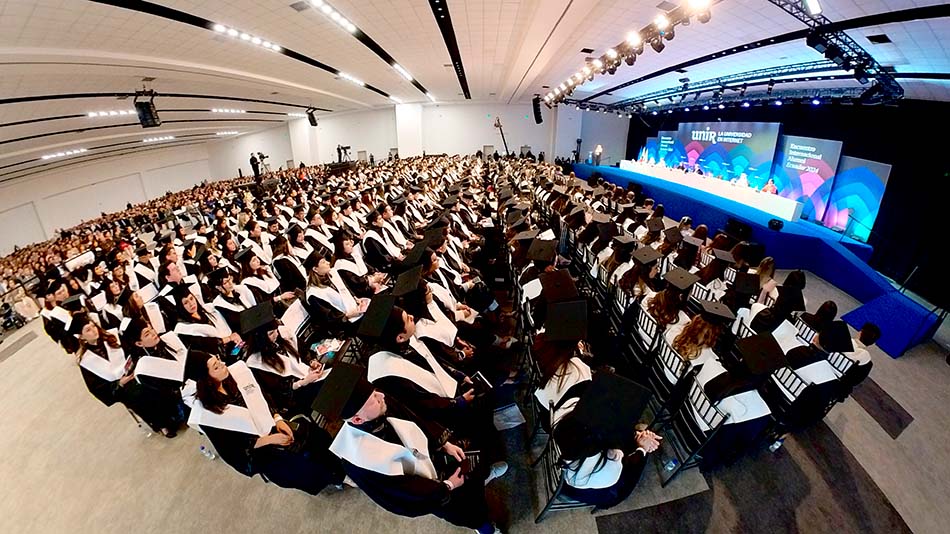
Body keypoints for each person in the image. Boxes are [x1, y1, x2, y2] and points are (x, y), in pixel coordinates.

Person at [314, 364, 502, 534]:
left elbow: (416, 418)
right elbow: (399, 494)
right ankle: (484, 528)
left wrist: (444, 443)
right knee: (465, 511)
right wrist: (447, 486)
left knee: (471, 475)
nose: (381, 396)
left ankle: (481, 480)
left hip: (436, 457)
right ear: (356, 419)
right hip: (428, 485)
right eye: (373, 398)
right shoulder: (355, 459)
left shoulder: (381, 405)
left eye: (376, 392)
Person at [186, 353, 345, 495]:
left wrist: (278, 419)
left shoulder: (236, 376)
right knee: (298, 467)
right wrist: (269, 439)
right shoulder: (208, 413)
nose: (222, 365)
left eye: (218, 360)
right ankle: (330, 479)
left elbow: (263, 398)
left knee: (315, 437)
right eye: (216, 367)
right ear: (207, 379)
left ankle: (340, 471)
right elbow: (232, 449)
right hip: (257, 448)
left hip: (273, 424)